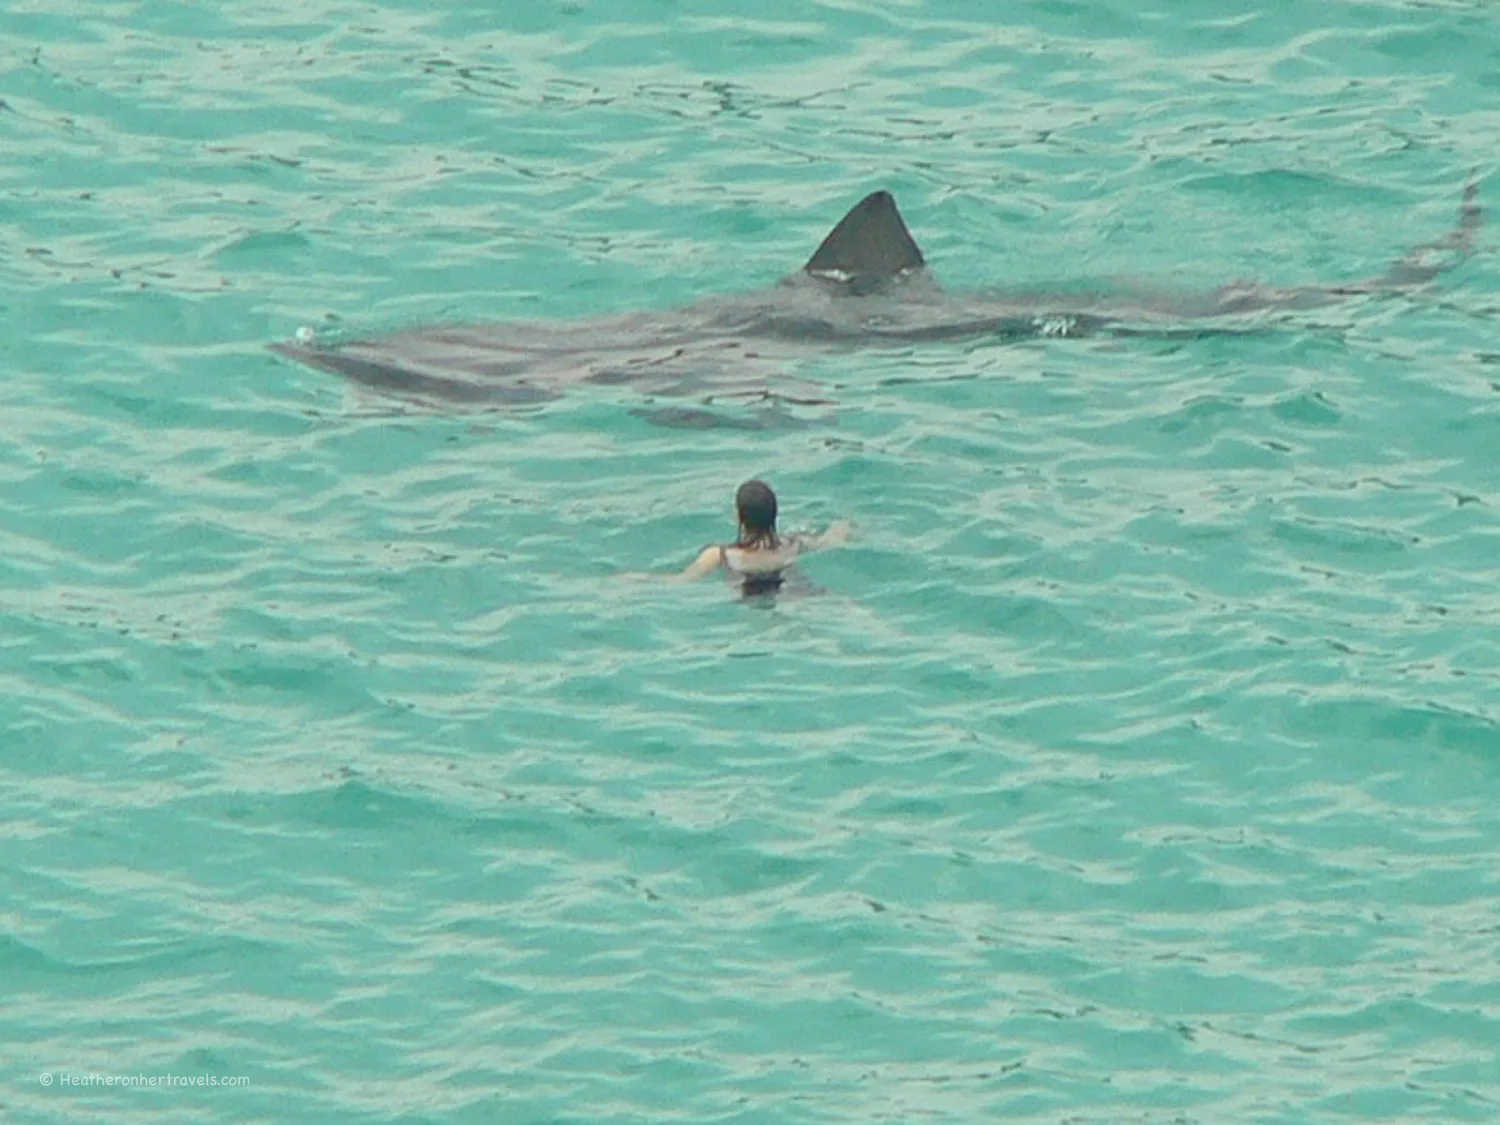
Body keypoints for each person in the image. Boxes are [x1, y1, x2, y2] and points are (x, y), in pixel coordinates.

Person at [669, 479, 850, 594]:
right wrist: (844, 525)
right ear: (774, 514)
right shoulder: (793, 544)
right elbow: (831, 541)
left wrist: (641, 579)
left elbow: (680, 581)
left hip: (747, 597)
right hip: (795, 588)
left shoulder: (720, 555)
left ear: (738, 516)